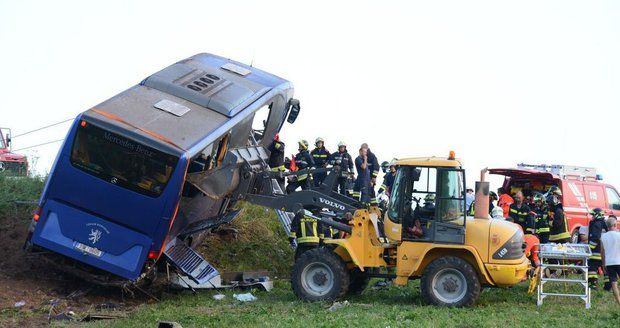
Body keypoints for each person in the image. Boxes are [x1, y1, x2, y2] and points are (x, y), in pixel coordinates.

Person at [601, 216, 620, 305]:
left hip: (609, 263)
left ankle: (619, 302)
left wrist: (603, 265)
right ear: (615, 225)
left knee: (614, 284)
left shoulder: (603, 237)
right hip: (619, 261)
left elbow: (602, 253)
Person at [588, 208, 608, 289]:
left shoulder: (596, 224)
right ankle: (608, 285)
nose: (591, 217)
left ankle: (593, 284)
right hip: (603, 251)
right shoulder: (604, 223)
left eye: (593, 215)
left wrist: (590, 247)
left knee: (592, 267)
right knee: (605, 269)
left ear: (597, 215)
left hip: (596, 251)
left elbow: (595, 237)